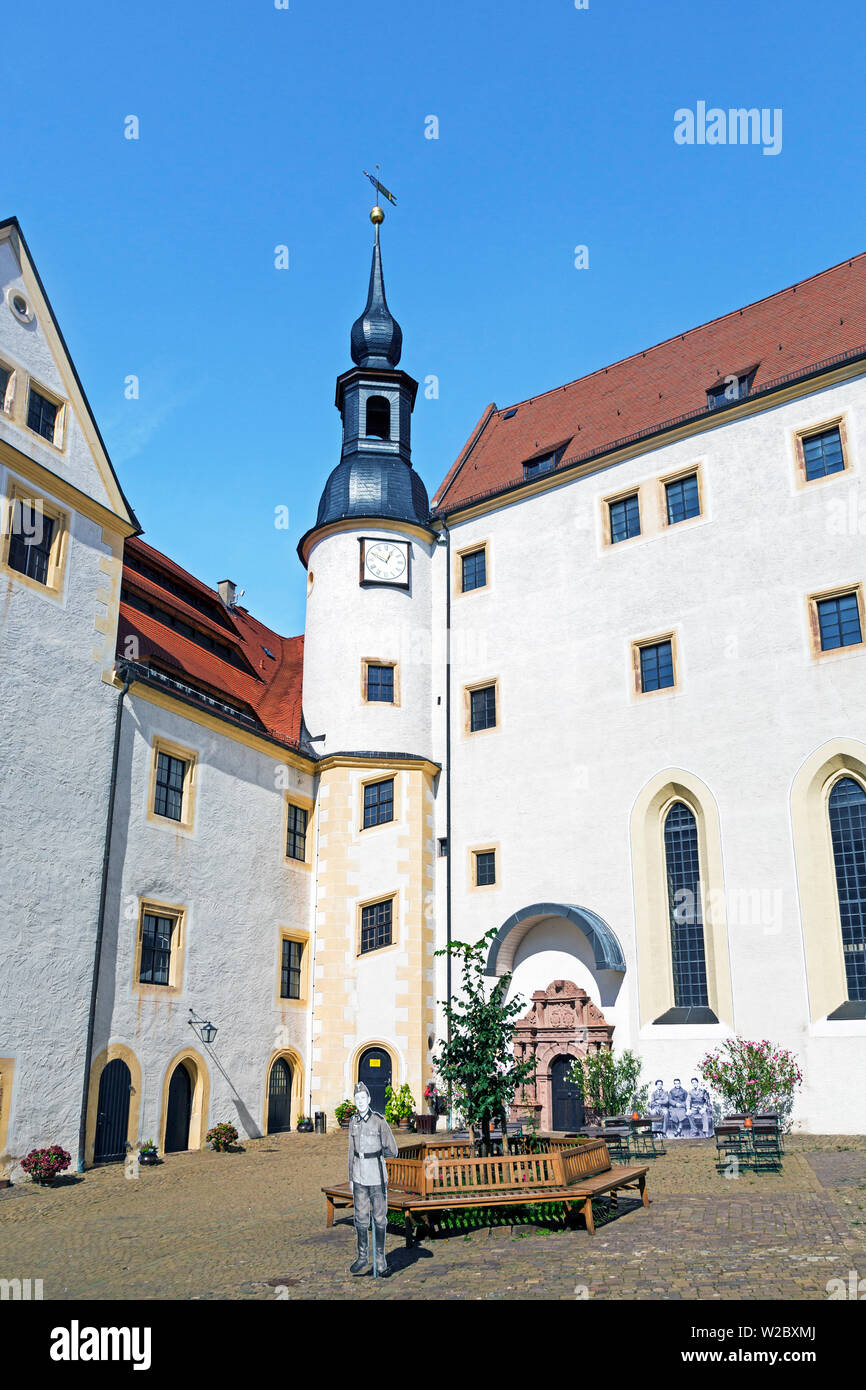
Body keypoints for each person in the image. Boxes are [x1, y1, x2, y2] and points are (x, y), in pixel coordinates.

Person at [347, 1081, 399, 1277]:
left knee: (379, 1218)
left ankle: (380, 1260)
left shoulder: (379, 1121)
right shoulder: (353, 1122)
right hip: (359, 1176)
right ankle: (362, 1257)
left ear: (369, 1099)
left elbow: (392, 1149)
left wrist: (377, 1155)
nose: (360, 1102)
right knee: (360, 1218)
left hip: (376, 1176)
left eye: (363, 1098)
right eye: (357, 1099)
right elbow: (351, 1151)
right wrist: (351, 1177)